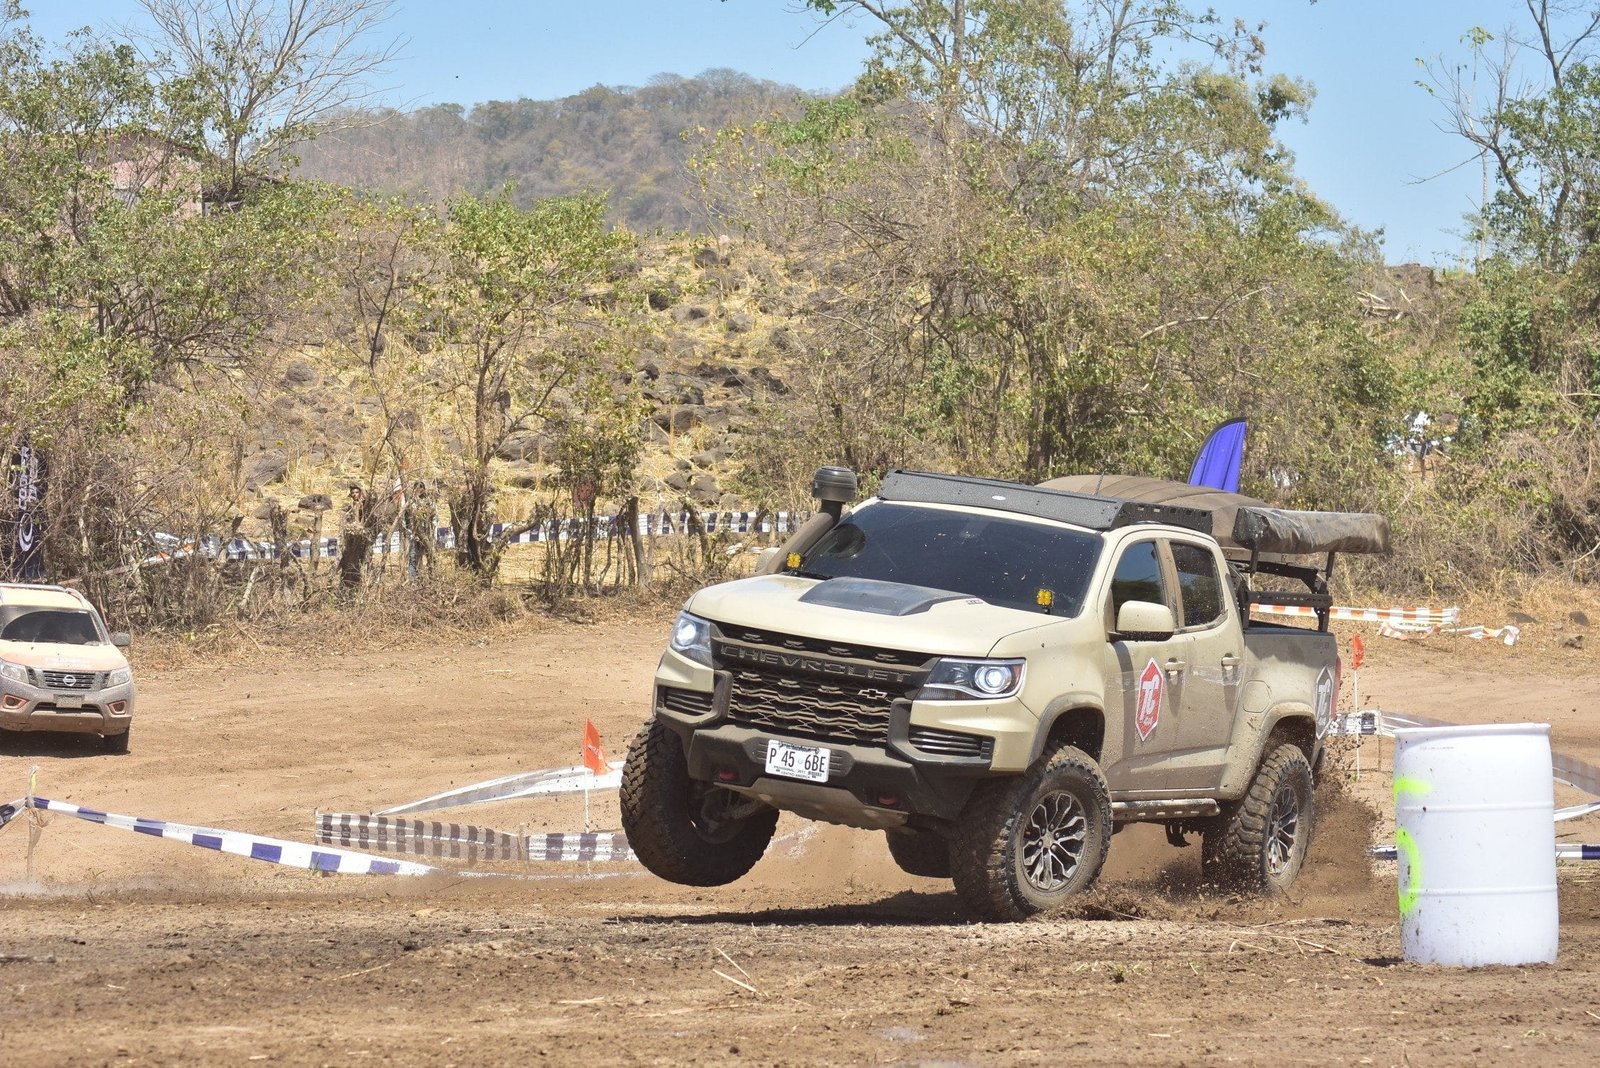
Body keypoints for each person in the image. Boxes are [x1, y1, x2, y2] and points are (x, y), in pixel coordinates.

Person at [337, 485, 375, 589]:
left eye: (356, 492)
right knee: (348, 562)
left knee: (362, 561)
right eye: (353, 493)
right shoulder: (348, 507)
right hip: (350, 540)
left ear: (360, 493)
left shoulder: (365, 506)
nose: (354, 495)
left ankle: (362, 585)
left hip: (362, 539)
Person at [406, 479, 436, 580]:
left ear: (424, 488)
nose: (419, 489)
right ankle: (413, 580)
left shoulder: (429, 501)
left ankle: (432, 578)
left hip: (427, 533)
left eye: (421, 487)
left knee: (430, 555)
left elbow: (435, 516)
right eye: (417, 487)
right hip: (415, 534)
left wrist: (433, 529)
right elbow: (406, 517)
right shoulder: (410, 501)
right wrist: (409, 531)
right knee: (414, 557)